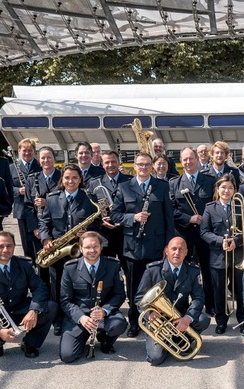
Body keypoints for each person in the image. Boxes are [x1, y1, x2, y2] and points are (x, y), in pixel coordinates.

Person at [110, 152, 176, 337]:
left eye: (148, 164)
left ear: (152, 167)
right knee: (134, 287)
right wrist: (134, 217)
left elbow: (169, 219)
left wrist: (168, 245)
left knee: (157, 287)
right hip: (133, 248)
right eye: (140, 164)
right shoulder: (124, 187)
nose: (144, 168)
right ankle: (134, 321)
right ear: (134, 166)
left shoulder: (161, 186)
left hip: (156, 245)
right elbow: (115, 215)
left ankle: (157, 321)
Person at [0, 231, 56, 358]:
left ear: (14, 247)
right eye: (0, 246)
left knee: (50, 307)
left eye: (9, 246)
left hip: (19, 309)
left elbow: (40, 288)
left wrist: (33, 311)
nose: (5, 250)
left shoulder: (24, 264)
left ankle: (30, 343)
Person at [39, 164, 101, 336]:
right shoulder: (52, 198)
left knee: (80, 287)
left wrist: (87, 233)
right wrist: (46, 239)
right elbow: (44, 223)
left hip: (80, 251)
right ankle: (58, 321)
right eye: (67, 177)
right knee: (57, 287)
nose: (70, 181)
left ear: (80, 179)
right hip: (57, 252)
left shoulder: (89, 199)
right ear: (62, 179)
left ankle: (80, 318)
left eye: (74, 177)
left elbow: (97, 223)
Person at [135, 236, 210, 365]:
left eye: (181, 249)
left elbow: (198, 298)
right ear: (166, 251)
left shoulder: (193, 271)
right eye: (173, 249)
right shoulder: (152, 270)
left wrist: (187, 318)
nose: (177, 252)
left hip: (180, 316)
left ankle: (178, 341)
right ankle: (169, 343)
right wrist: (149, 314)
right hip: (157, 320)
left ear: (186, 252)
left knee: (203, 319)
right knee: (155, 358)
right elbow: (139, 298)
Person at [59, 232, 127, 362]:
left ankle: (105, 340)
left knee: (119, 324)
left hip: (102, 316)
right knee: (67, 356)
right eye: (87, 247)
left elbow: (119, 295)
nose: (92, 250)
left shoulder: (113, 265)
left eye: (95, 246)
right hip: (80, 318)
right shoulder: (70, 268)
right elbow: (65, 300)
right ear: (80, 248)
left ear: (101, 247)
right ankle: (84, 335)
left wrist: (104, 311)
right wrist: (81, 318)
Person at [200, 175, 244, 333]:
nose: (227, 190)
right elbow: (204, 232)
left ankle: (243, 319)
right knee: (219, 291)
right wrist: (220, 241)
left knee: (240, 289)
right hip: (218, 257)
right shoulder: (210, 208)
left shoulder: (240, 207)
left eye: (230, 188)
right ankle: (221, 320)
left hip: (238, 255)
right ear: (217, 189)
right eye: (223, 187)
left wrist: (236, 241)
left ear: (234, 190)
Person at [169, 147, 217, 313]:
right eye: (185, 160)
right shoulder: (174, 183)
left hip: (206, 234)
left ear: (197, 159)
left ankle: (210, 305)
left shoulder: (210, 181)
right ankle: (182, 306)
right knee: (183, 272)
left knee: (208, 271)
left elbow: (216, 205)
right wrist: (188, 218)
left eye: (191, 158)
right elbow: (171, 209)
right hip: (184, 234)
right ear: (181, 162)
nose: (188, 162)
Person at [89, 150, 132, 261]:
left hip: (125, 233)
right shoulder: (94, 183)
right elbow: (89, 208)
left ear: (119, 162)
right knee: (105, 272)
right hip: (104, 234)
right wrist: (101, 220)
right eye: (107, 162)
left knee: (129, 271)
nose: (110, 165)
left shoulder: (130, 181)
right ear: (102, 164)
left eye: (113, 162)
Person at [24, 146, 60, 275]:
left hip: (58, 227)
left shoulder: (62, 176)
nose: (46, 160)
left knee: (58, 264)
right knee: (42, 264)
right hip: (39, 229)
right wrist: (35, 228)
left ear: (54, 159)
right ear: (39, 161)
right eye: (43, 158)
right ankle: (44, 293)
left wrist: (47, 202)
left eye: (49, 157)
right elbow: (27, 206)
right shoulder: (32, 179)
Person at [9, 138, 42, 267]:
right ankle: (29, 270)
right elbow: (6, 188)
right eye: (24, 150)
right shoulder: (12, 167)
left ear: (34, 151)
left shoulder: (40, 166)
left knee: (39, 243)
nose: (27, 153)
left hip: (38, 210)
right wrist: (18, 191)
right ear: (19, 151)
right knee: (27, 245)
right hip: (22, 210)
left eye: (30, 150)